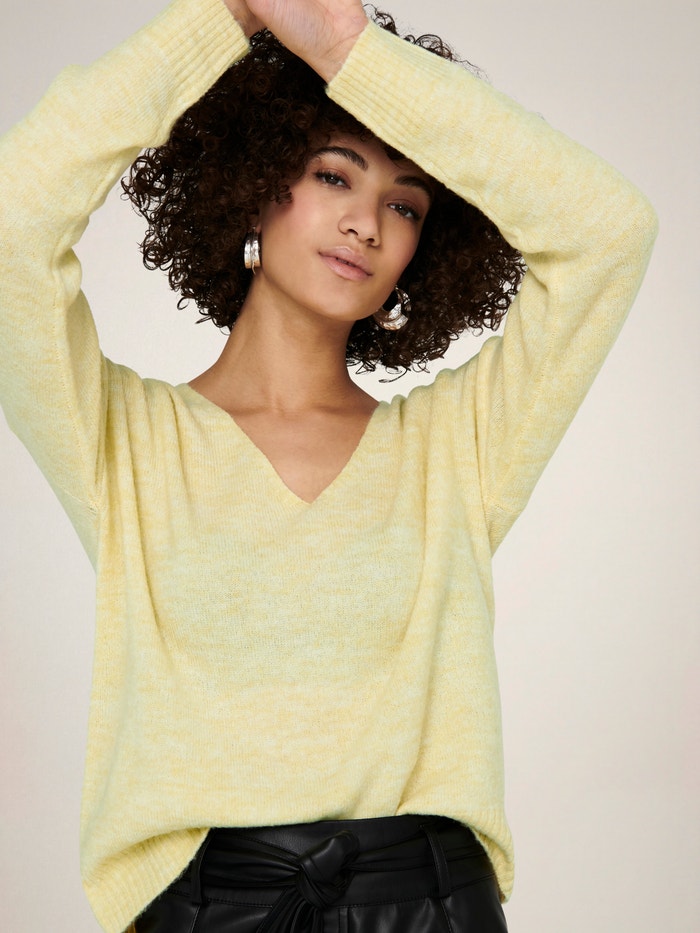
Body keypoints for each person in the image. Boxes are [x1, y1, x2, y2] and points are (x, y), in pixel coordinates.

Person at [0, 0, 657, 930]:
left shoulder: (457, 449)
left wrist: (350, 51)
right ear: (256, 185)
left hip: (429, 904)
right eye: (332, 174)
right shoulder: (125, 443)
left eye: (404, 204)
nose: (366, 224)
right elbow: (11, 224)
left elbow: (610, 229)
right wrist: (231, 15)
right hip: (206, 909)